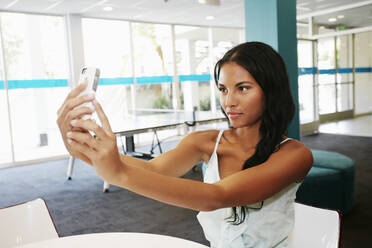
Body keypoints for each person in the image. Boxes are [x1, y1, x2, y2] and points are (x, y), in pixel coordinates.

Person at [56, 41, 313, 248]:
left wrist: (119, 174)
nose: (229, 101)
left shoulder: (294, 155)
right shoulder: (205, 142)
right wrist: (84, 150)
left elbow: (217, 197)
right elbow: (154, 171)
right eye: (223, 89)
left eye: (243, 88)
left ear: (271, 90)